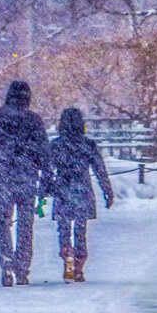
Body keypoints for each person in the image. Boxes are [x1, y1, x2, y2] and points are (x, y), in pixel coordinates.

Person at [0, 81, 53, 287]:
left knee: (2, 222)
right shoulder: (33, 120)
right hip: (27, 177)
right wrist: (46, 177)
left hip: (3, 178)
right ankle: (22, 268)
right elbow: (44, 152)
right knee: (25, 225)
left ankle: (6, 262)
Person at [43, 107, 113, 283]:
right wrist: (107, 191)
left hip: (63, 189)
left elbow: (47, 170)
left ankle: (67, 255)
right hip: (82, 189)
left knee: (64, 229)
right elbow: (100, 169)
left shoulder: (56, 145)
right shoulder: (88, 144)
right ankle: (80, 267)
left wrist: (45, 190)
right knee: (81, 231)